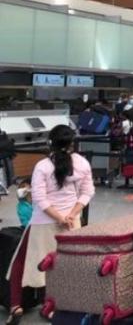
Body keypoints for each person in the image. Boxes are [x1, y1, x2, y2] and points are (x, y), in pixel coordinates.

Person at [6, 126, 95, 324]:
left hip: (42, 224)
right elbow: (87, 192)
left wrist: (58, 217)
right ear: (72, 144)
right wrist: (71, 215)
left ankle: (16, 306)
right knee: (63, 267)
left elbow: (39, 199)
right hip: (72, 224)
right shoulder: (82, 163)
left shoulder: (43, 166)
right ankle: (51, 307)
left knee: (20, 263)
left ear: (50, 143)